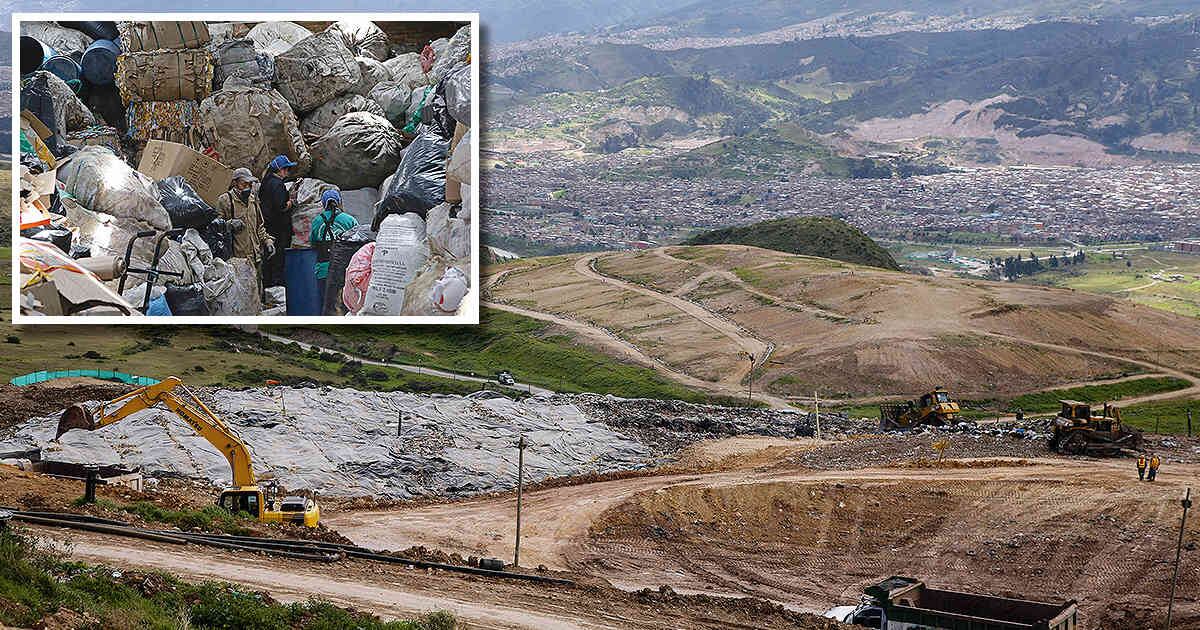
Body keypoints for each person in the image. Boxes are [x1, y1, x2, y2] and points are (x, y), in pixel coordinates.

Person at [215, 168, 274, 301]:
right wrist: (228, 224)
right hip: (238, 260)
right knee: (243, 296)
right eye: (244, 184)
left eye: (250, 184)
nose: (248, 187)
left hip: (256, 257)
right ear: (235, 183)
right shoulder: (225, 200)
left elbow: (259, 226)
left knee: (257, 294)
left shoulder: (253, 200)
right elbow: (215, 228)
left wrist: (267, 241)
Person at [310, 189, 359, 310]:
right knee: (345, 306)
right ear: (339, 202)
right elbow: (358, 243)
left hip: (323, 271)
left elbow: (313, 243)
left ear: (323, 204)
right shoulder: (350, 220)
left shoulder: (317, 221)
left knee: (326, 306)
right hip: (344, 270)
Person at [259, 154, 298, 287]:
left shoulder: (265, 182)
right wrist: (291, 203)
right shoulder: (278, 185)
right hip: (279, 228)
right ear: (280, 169)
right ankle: (276, 287)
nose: (287, 172)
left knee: (268, 257)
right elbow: (281, 206)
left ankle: (267, 286)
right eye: (286, 169)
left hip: (268, 225)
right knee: (278, 259)